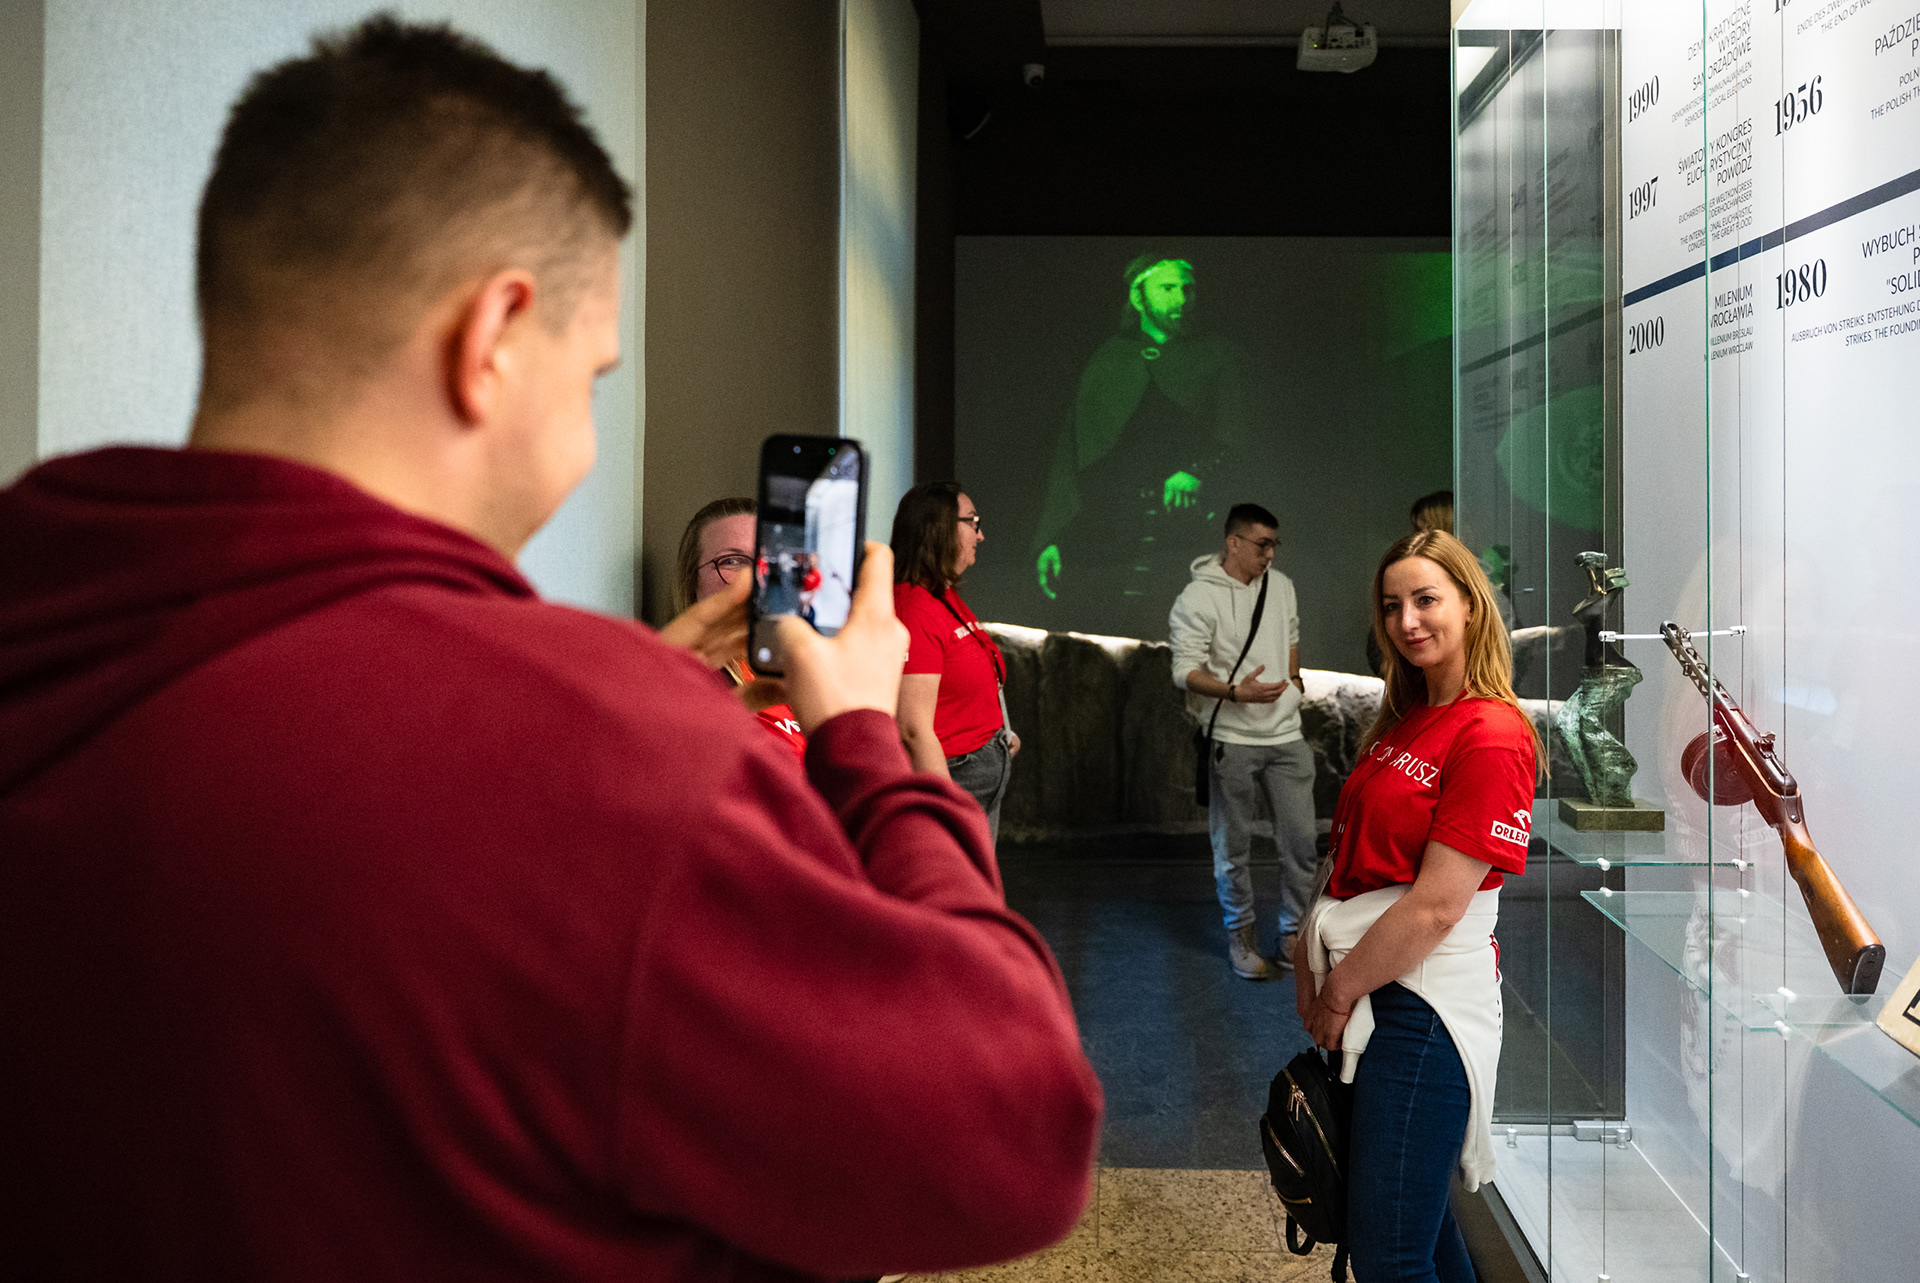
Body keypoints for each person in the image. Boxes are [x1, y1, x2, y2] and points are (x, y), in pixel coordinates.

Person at [0, 19, 1101, 1281]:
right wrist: (863, 740)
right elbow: (1017, 1128)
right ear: (495, 336)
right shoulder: (597, 757)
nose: (582, 440)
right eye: (591, 377)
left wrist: (635, 689)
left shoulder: (54, 618)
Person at [1296, 529, 1539, 1283]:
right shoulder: (1407, 718)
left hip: (1423, 1011)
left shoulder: (1492, 733)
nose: (1407, 621)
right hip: (1380, 989)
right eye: (1391, 605)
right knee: (1421, 1239)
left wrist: (1338, 988)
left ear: (1471, 605)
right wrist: (1310, 960)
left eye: (1426, 599)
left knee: (1391, 1256)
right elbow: (1346, 855)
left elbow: (1437, 907)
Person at [1031, 255, 1254, 619]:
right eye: (1167, 288)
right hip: (1110, 532)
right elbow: (1072, 456)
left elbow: (1239, 437)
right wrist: (1055, 538)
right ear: (1138, 297)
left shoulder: (1220, 356)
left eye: (1187, 289)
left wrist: (1197, 472)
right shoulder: (1108, 360)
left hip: (1186, 531)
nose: (1181, 299)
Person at [1169, 503, 1316, 982]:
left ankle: (1293, 934)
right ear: (1233, 543)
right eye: (1262, 544)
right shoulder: (1197, 598)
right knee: (1232, 847)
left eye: (1275, 544)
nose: (1270, 554)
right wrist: (1235, 692)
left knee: (1301, 844)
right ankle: (1242, 935)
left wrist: (1294, 682)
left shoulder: (1282, 585)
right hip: (1231, 739)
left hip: (1287, 736)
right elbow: (1183, 671)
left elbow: (1290, 636)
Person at [892, 482, 1021, 842]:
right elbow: (913, 728)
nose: (980, 535)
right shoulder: (915, 609)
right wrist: (947, 811)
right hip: (954, 784)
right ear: (940, 529)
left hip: (977, 780)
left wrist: (998, 736)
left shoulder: (942, 596)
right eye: (972, 522)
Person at [674, 496, 806, 758]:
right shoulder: (677, 683)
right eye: (732, 561)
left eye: (769, 560)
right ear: (692, 581)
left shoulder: (803, 668)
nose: (756, 576)